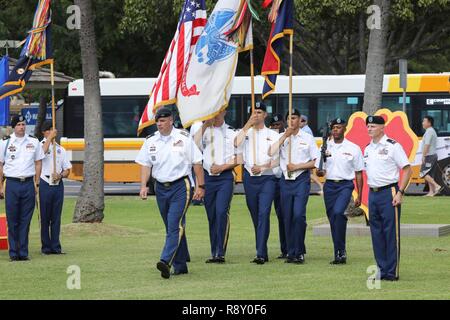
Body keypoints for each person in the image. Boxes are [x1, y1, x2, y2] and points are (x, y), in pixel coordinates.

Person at [136, 107, 205, 279]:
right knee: (171, 227)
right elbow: (145, 164)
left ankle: (165, 261)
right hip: (160, 187)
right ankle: (181, 266)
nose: (159, 124)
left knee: (175, 224)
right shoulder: (150, 140)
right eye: (157, 121)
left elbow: (197, 162)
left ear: (171, 120)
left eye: (162, 121)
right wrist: (143, 185)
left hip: (181, 186)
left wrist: (200, 186)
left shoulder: (183, 137)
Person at [364, 115, 412, 281]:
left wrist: (400, 192)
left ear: (382, 127)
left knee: (391, 233)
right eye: (368, 126)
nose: (370, 129)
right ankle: (381, 269)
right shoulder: (367, 148)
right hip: (373, 194)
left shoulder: (393, 146)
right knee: (376, 233)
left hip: (389, 192)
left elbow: (407, 170)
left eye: (373, 126)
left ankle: (392, 272)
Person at [269, 109, 319, 264]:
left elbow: (316, 161)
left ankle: (299, 251)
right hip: (285, 181)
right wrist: (285, 136)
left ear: (299, 120)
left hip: (301, 179)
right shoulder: (281, 137)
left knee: (298, 215)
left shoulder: (308, 138)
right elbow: (270, 152)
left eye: (295, 118)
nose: (292, 121)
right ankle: (292, 252)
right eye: (289, 118)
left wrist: (298, 166)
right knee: (287, 216)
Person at [234, 102, 279, 264]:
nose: (256, 115)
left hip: (267, 178)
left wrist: (262, 167)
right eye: (254, 112)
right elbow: (236, 143)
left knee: (263, 213)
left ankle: (260, 252)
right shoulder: (246, 133)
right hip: (249, 179)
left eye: (259, 112)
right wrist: (247, 124)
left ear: (265, 115)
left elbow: (277, 160)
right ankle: (262, 248)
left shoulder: (273, 135)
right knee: (255, 215)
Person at [316, 118, 364, 264]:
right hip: (329, 185)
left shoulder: (353, 148)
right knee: (333, 218)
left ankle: (340, 251)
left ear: (344, 129)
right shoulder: (325, 147)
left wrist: (360, 195)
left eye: (339, 127)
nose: (335, 130)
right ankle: (339, 251)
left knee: (338, 213)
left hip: (345, 186)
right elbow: (320, 169)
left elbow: (359, 173)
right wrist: (319, 173)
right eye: (333, 127)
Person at [194, 110, 238, 264]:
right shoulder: (204, 130)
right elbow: (193, 146)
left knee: (221, 212)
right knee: (211, 215)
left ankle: (220, 252)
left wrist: (222, 167)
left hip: (225, 176)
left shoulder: (232, 132)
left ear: (225, 111)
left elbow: (238, 158)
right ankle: (214, 251)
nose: (215, 114)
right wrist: (205, 124)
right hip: (208, 177)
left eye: (218, 111)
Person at [0, 115, 45, 261]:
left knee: (26, 219)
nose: (21, 127)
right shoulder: (5, 143)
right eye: (18, 124)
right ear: (14, 127)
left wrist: (37, 182)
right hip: (12, 183)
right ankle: (13, 253)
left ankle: (23, 252)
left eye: (23, 124)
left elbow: (38, 162)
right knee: (12, 219)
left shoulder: (33, 141)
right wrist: (1, 185)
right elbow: (0, 165)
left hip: (27, 184)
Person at [39, 121, 72, 255]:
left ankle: (55, 246)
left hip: (57, 184)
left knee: (56, 217)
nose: (53, 132)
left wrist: (60, 175)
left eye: (53, 130)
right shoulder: (40, 145)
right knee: (45, 217)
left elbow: (68, 169)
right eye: (49, 130)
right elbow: (41, 154)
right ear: (44, 132)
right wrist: (49, 139)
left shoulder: (60, 149)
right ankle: (46, 247)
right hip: (45, 182)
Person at [269, 114, 287, 259]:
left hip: (285, 180)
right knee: (280, 215)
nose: (276, 128)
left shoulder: (286, 137)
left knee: (290, 214)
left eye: (278, 125)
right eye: (273, 126)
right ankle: (284, 248)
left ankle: (294, 246)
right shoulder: (270, 139)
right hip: (273, 180)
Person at [299, 114, 324, 195]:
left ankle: (321, 186)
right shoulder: (305, 129)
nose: (300, 123)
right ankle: (320, 186)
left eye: (302, 121)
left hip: (307, 154)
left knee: (308, 173)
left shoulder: (305, 130)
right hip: (308, 154)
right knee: (309, 174)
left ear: (305, 122)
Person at [420, 116, 442, 196]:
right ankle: (431, 192)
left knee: (423, 173)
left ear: (429, 123)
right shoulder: (431, 131)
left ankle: (437, 186)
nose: (422, 123)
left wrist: (423, 155)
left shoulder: (429, 131)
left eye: (424, 121)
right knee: (429, 174)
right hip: (432, 155)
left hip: (429, 156)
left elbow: (427, 144)